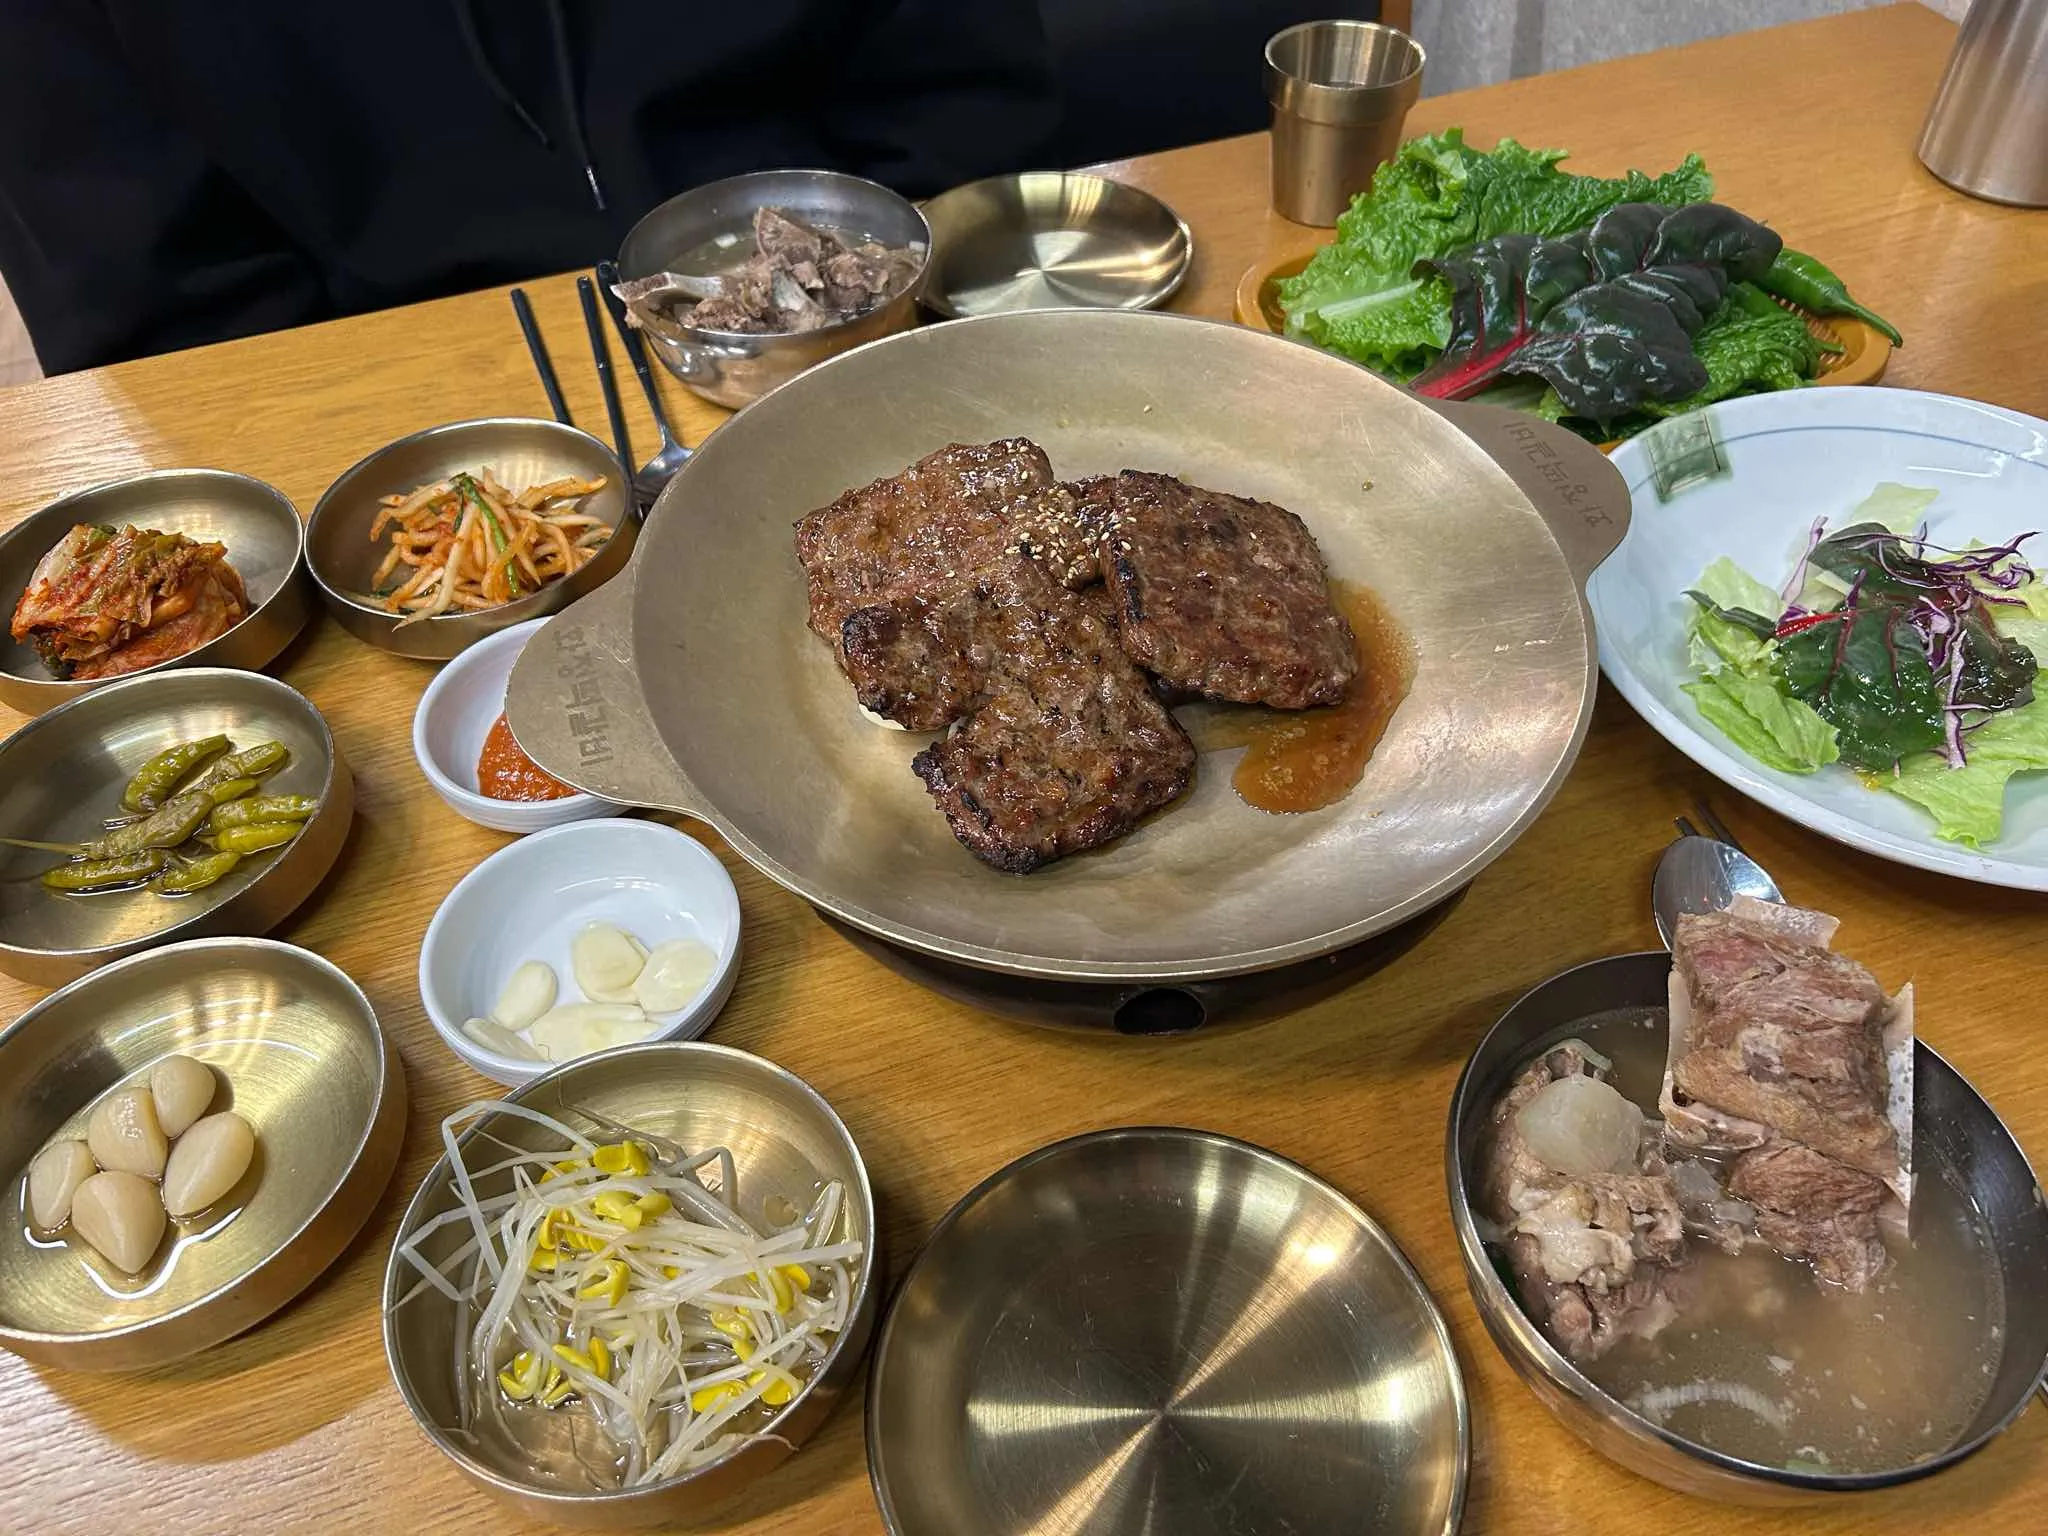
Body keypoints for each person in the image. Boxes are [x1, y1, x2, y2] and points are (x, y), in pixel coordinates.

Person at [0, 0, 1057, 375]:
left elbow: (958, 100)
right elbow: (161, 317)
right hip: (412, 383)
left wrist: (870, 294)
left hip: (881, 322)